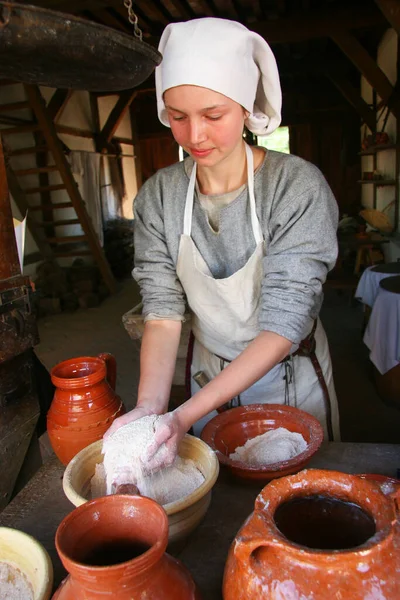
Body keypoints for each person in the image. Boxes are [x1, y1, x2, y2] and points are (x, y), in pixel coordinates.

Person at [105, 17, 340, 469]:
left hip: (288, 377)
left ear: (247, 108)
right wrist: (151, 411)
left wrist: (181, 417)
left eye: (213, 116)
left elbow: (284, 321)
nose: (195, 136)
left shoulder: (295, 188)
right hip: (206, 371)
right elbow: (162, 311)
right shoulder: (159, 196)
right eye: (177, 116)